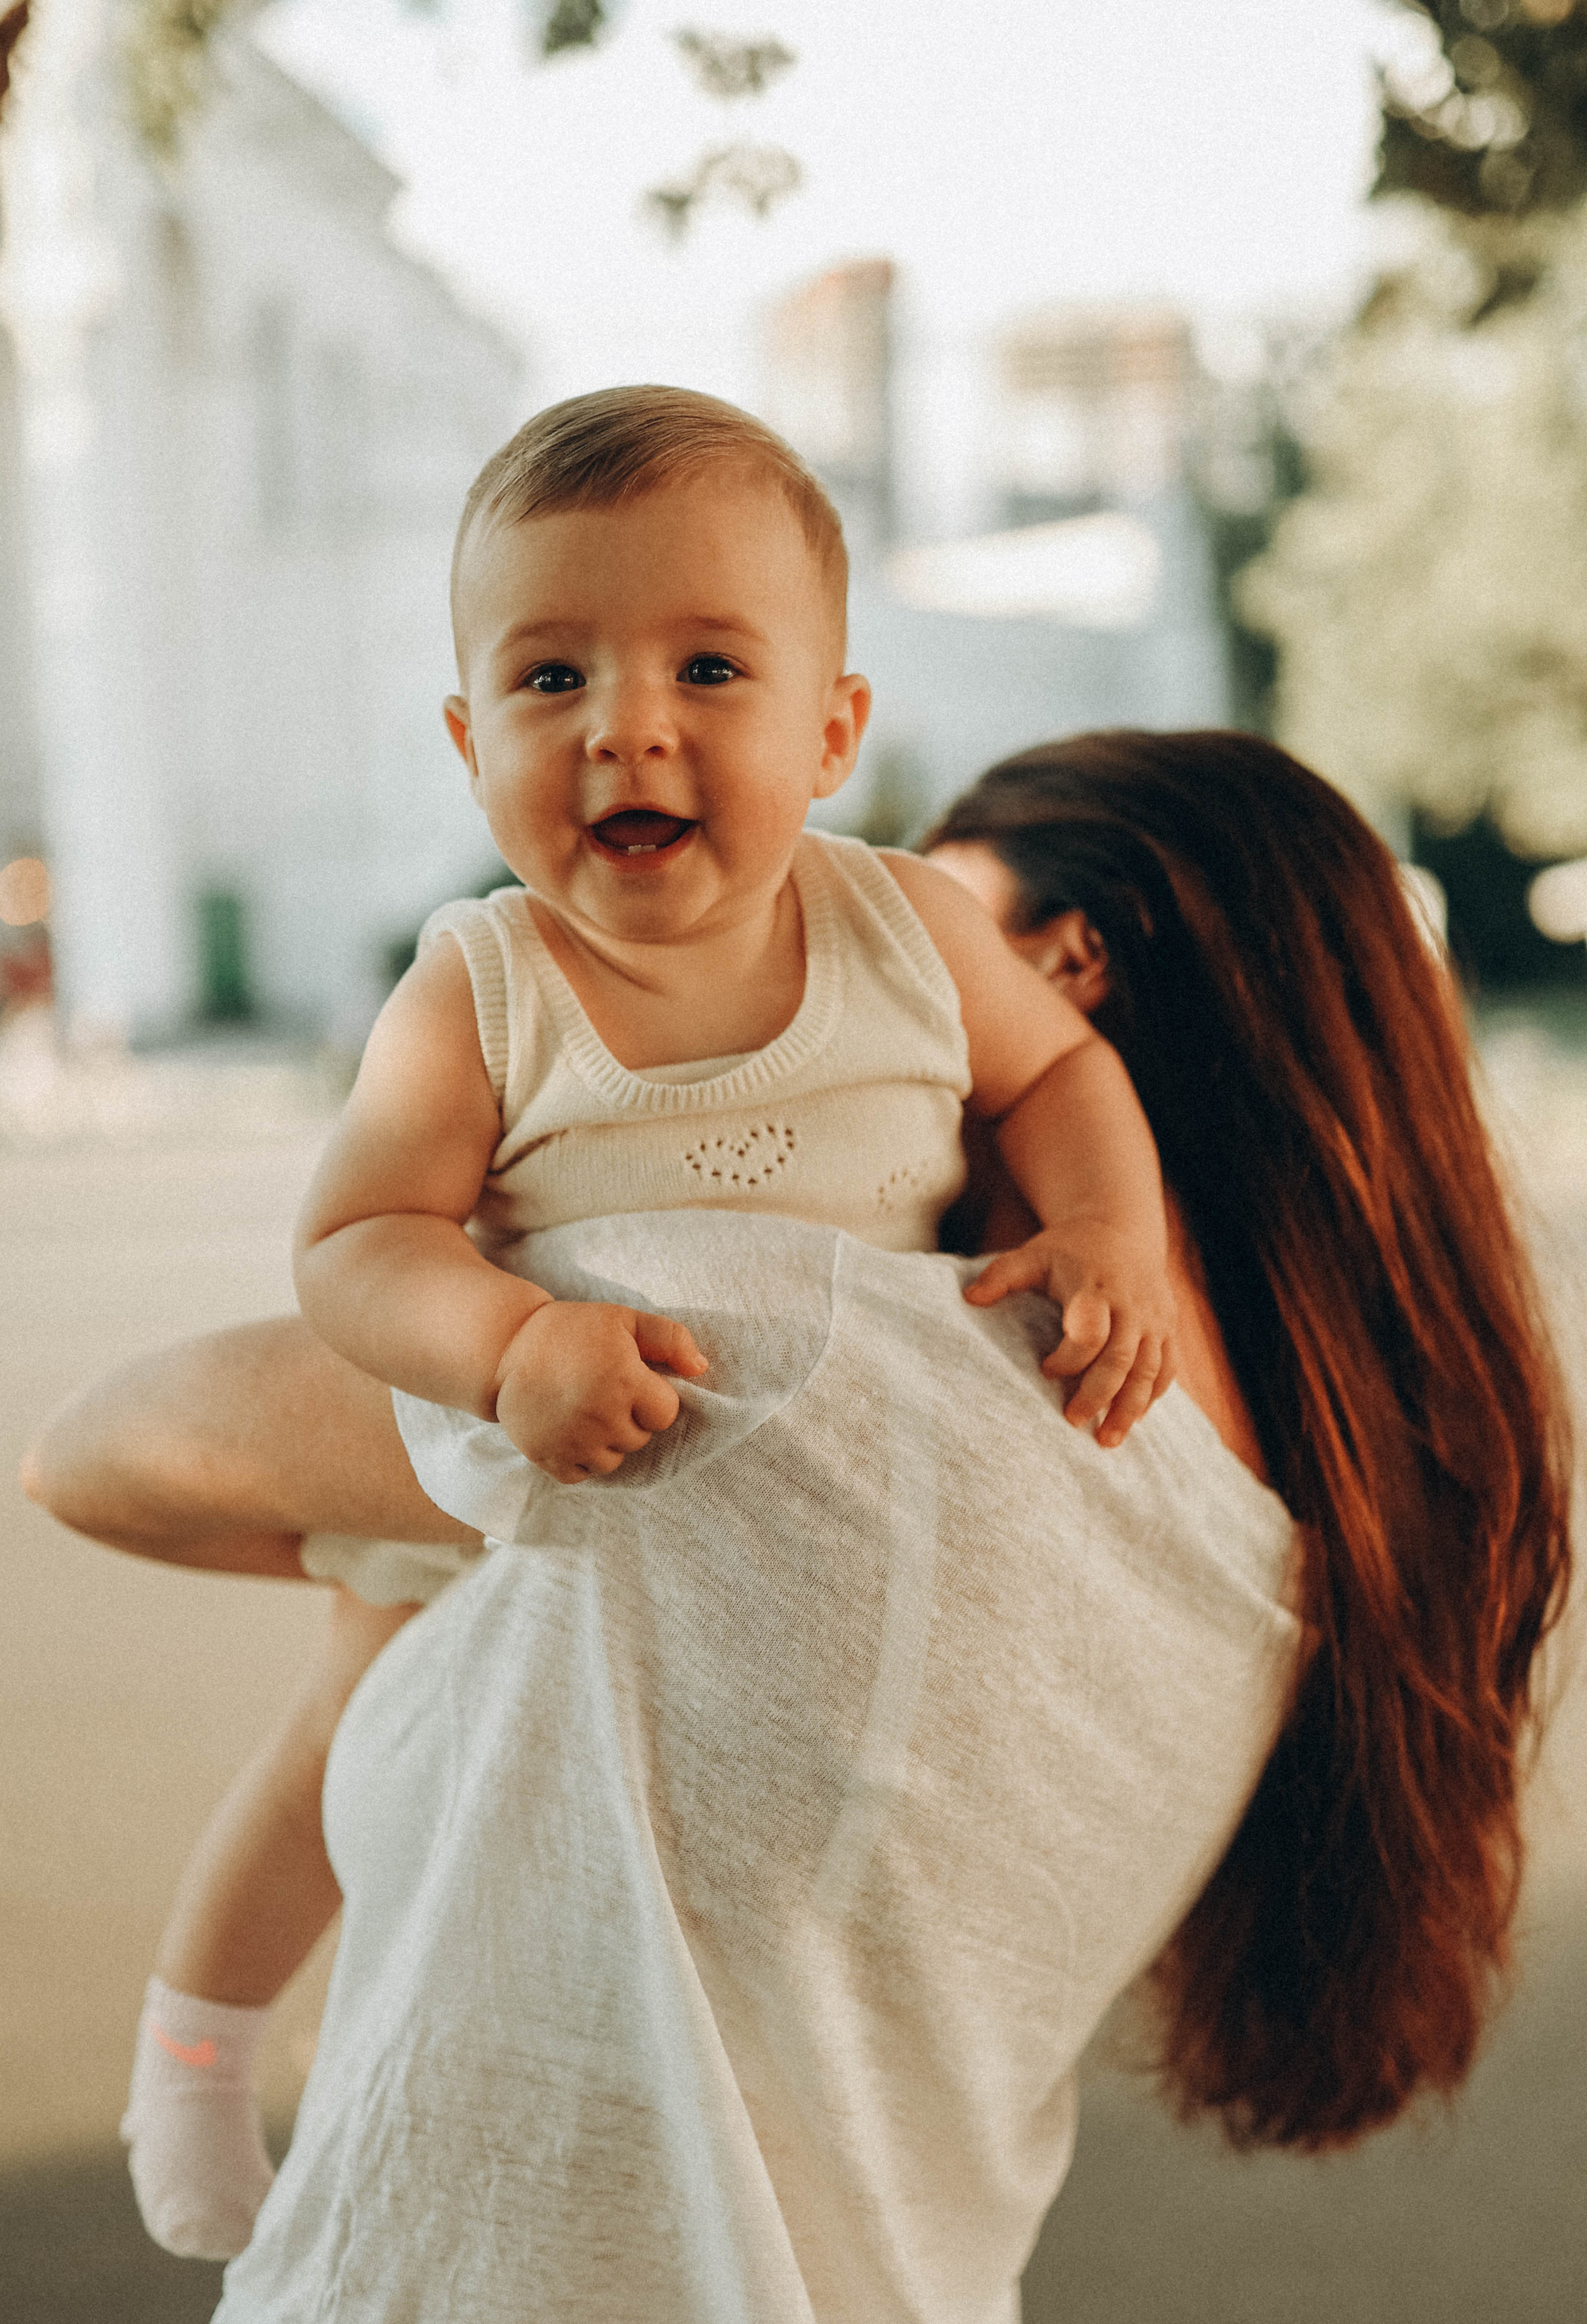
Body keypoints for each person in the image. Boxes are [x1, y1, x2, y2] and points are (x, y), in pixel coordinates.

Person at [24, 723, 1572, 2321]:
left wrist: (498, 1321)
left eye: (899, 937)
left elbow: (102, 1453)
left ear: (1060, 968)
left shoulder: (785, 1344)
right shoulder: (1308, 1563)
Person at [23, 387, 1179, 2266]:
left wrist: (1108, 1225)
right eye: (551, 678)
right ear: (469, 742)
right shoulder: (484, 986)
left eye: (708, 667)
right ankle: (201, 2045)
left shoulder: (907, 929)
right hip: (523, 1465)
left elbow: (1060, 1073)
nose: (625, 725)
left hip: (771, 1558)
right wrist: (503, 1348)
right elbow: (358, 1237)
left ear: (835, 731)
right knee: (345, 1734)